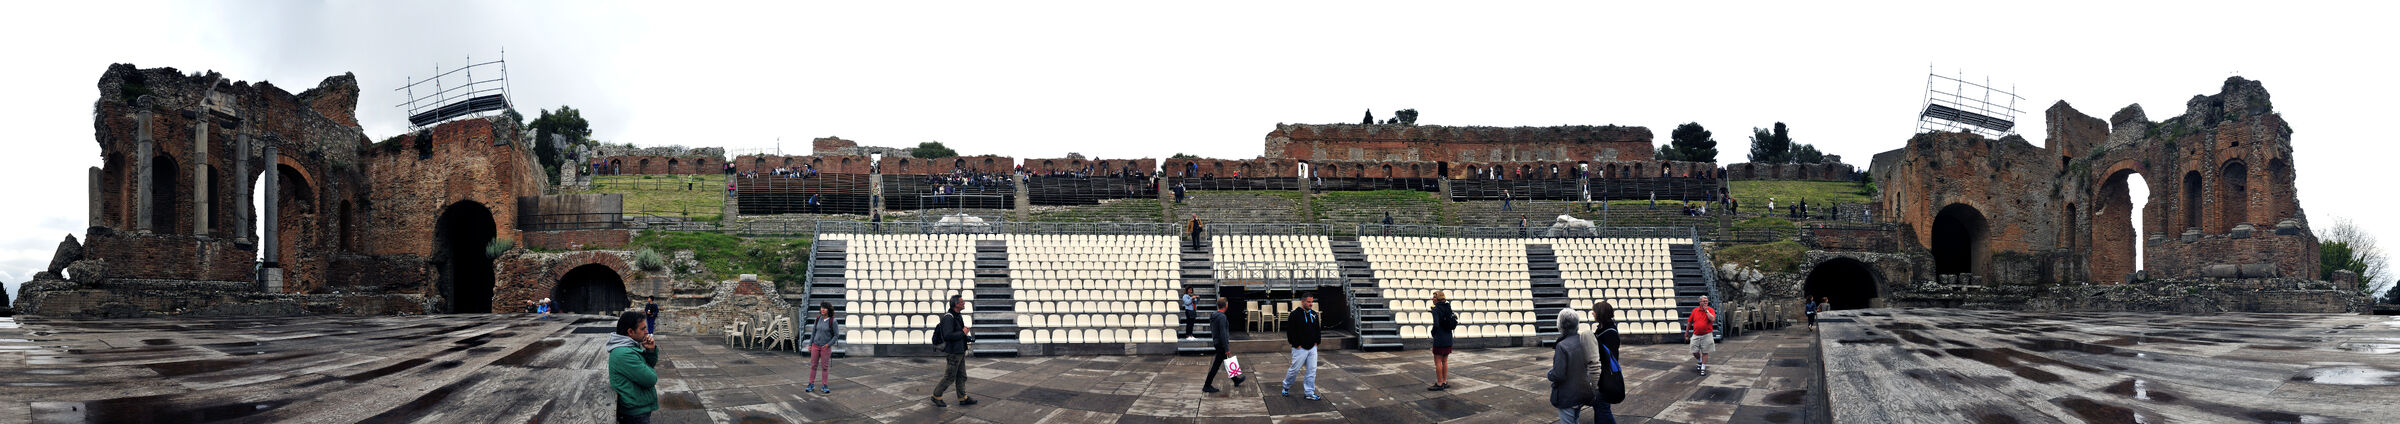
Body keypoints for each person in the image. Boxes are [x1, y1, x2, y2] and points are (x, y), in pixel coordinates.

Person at [608, 311, 661, 424]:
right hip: (635, 413)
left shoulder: (629, 346)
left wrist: (650, 350)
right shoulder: (624, 354)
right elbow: (651, 379)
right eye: (643, 329)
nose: (647, 331)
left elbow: (649, 365)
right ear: (630, 332)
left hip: (637, 406)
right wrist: (647, 368)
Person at [1547, 309, 1597, 424]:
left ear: (1560, 325)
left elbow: (1559, 375)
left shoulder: (1561, 346)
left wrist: (1549, 374)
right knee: (1576, 420)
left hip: (1568, 396)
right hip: (1583, 392)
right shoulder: (1582, 340)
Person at [930, 294, 977, 407]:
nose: (964, 303)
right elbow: (947, 335)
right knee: (950, 377)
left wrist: (966, 337)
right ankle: (936, 396)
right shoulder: (948, 317)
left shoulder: (957, 316)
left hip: (960, 350)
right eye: (962, 302)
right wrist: (963, 332)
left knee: (962, 376)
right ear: (956, 304)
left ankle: (963, 398)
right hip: (954, 352)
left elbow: (959, 332)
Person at [1281, 294, 1322, 401]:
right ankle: (1286, 386)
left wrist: (1317, 341)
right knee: (1294, 370)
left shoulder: (1313, 314)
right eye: (1308, 302)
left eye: (1312, 301)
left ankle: (1309, 392)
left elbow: (1317, 328)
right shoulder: (1294, 314)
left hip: (1312, 347)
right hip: (1300, 348)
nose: (1311, 304)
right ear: (1303, 302)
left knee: (1312, 371)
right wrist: (1296, 344)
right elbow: (1290, 331)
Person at [1591, 301, 1621, 424]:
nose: (1592, 313)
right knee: (1599, 406)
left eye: (1594, 311)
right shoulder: (1603, 328)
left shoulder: (1609, 332)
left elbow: (1608, 356)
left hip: (1606, 375)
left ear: (1600, 314)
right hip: (1602, 373)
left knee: (1603, 407)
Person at [1202, 298, 1238, 393]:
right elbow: (1223, 333)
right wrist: (1226, 348)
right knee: (1216, 366)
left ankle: (1236, 380)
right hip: (1221, 344)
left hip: (1217, 342)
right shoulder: (1222, 317)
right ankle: (1207, 385)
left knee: (1227, 361)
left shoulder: (1214, 315)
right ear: (1225, 305)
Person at [805, 302, 841, 393]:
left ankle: (824, 385)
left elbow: (836, 335)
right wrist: (810, 344)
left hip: (825, 347)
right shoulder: (818, 319)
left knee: (824, 367)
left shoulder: (833, 321)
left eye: (824, 308)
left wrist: (828, 345)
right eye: (821, 308)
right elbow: (813, 332)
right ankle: (811, 384)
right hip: (815, 346)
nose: (822, 310)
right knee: (813, 366)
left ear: (828, 310)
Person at [1428, 291, 1458, 391]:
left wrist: (1433, 333)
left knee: (1437, 362)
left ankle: (1439, 383)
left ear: (1438, 299)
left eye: (1434, 297)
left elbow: (1436, 325)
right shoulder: (1448, 307)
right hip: (1448, 337)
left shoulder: (1436, 310)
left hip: (1440, 338)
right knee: (1445, 361)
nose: (1432, 299)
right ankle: (1444, 381)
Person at [1689, 295, 1718, 376]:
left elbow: (1712, 319)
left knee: (1705, 351)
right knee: (1694, 351)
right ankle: (1699, 361)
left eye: (1706, 301)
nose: (1706, 302)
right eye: (1704, 301)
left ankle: (1703, 367)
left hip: (1707, 334)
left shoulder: (1710, 310)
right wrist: (1686, 333)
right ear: (1700, 302)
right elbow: (1689, 322)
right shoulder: (1695, 310)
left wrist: (1706, 311)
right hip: (1696, 334)